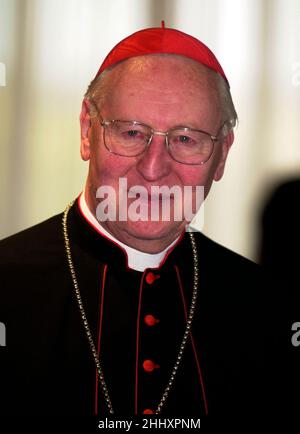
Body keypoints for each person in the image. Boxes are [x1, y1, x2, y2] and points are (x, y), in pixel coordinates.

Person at [0, 24, 298, 431]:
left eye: (187, 139)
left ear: (223, 154)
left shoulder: (271, 309)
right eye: (132, 133)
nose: (155, 169)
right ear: (88, 129)